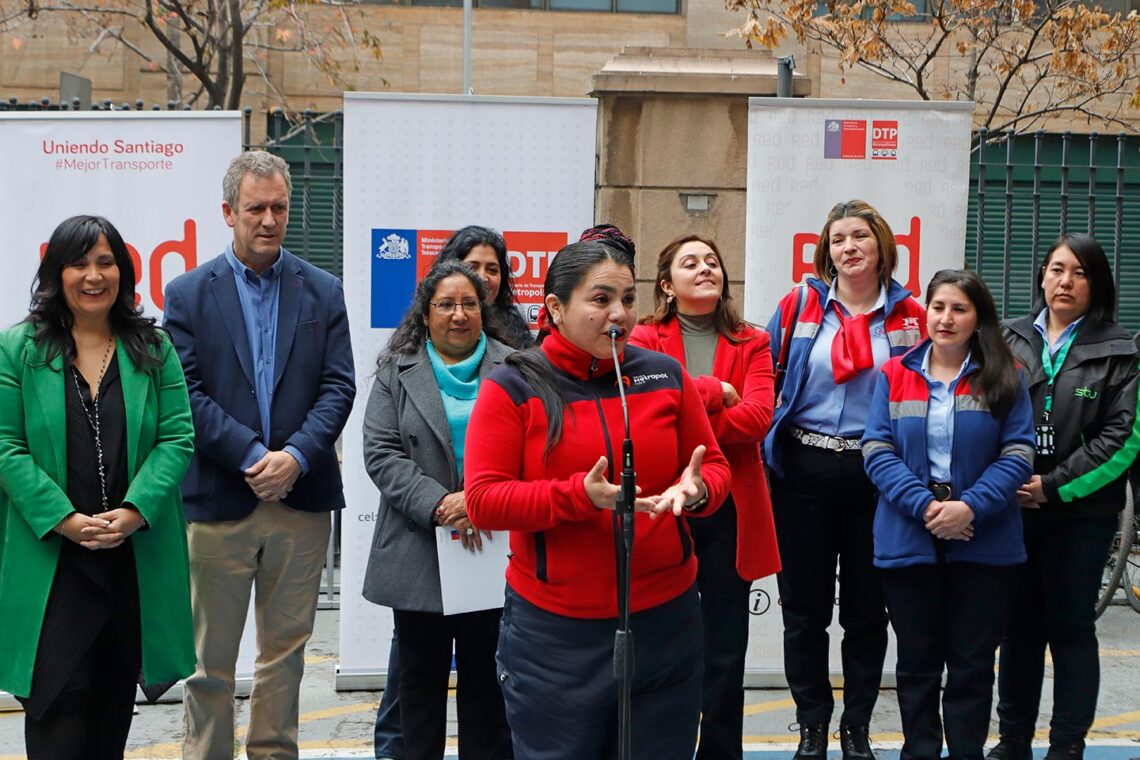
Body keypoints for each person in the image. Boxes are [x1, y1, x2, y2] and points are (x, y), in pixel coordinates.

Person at [465, 240, 733, 758]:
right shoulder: (512, 385)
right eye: (601, 299)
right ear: (555, 308)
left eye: (629, 299)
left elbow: (715, 465)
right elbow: (483, 500)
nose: (619, 314)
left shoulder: (664, 375)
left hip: (667, 625)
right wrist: (576, 496)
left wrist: (698, 491)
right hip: (557, 640)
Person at [164, 150, 356, 760]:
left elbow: (339, 385)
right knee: (209, 662)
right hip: (221, 500)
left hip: (300, 500)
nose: (269, 220)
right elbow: (184, 393)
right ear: (228, 212)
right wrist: (251, 454)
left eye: (279, 207)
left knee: (285, 655)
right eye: (256, 208)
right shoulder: (189, 294)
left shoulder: (323, 291)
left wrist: (296, 455)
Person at [0, 215, 196, 759]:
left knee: (110, 714)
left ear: (124, 271)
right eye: (79, 262)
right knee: (56, 712)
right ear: (55, 273)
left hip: (128, 562)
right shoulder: (18, 349)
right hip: (53, 563)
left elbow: (178, 437)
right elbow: (5, 446)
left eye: (105, 262)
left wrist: (135, 510)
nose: (93, 275)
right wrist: (63, 519)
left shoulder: (152, 348)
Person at [763, 199, 927, 760]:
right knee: (803, 612)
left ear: (883, 245)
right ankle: (811, 725)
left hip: (875, 474)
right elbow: (768, 376)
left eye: (860, 236)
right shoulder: (800, 306)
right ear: (825, 250)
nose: (848, 247)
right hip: (804, 470)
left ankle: (855, 727)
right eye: (837, 239)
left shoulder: (911, 317)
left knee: (866, 612)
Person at [862, 269, 1035, 760]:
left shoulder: (1007, 376)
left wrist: (969, 507)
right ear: (925, 313)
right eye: (938, 307)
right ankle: (918, 752)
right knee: (916, 665)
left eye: (959, 308)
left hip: (985, 541)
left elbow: (1019, 453)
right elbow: (876, 450)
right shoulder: (893, 375)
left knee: (972, 666)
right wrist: (927, 507)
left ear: (978, 317)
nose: (946, 318)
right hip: (909, 535)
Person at [373, 225, 531, 760]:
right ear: (425, 313)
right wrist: (443, 506)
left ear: (483, 310)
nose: (459, 314)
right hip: (420, 547)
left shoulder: (516, 367)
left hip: (491, 547)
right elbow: (381, 453)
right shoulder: (397, 369)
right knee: (419, 685)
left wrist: (480, 502)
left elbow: (534, 447)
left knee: (489, 687)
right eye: (446, 305)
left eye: (468, 303)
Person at [629, 233, 780, 759]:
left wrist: (687, 408)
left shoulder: (753, 341)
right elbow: (645, 410)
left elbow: (759, 418)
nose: (705, 268)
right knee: (658, 640)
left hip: (732, 508)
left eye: (712, 261)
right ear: (667, 285)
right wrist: (718, 392)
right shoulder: (643, 338)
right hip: (662, 503)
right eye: (689, 263)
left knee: (724, 649)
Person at [990, 234, 1140, 760]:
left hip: (1081, 515)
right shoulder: (1005, 338)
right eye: (1056, 269)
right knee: (1018, 628)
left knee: (1072, 628)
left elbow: (1123, 440)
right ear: (1042, 277)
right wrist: (1006, 483)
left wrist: (1051, 488)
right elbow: (980, 413)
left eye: (1078, 272)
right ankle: (1012, 741)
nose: (1065, 281)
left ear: (1095, 284)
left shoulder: (1121, 350)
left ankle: (1067, 744)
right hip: (1010, 510)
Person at [434, 225, 533, 350]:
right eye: (472, 268)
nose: (483, 278)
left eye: (492, 270)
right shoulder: (423, 333)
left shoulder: (515, 333)